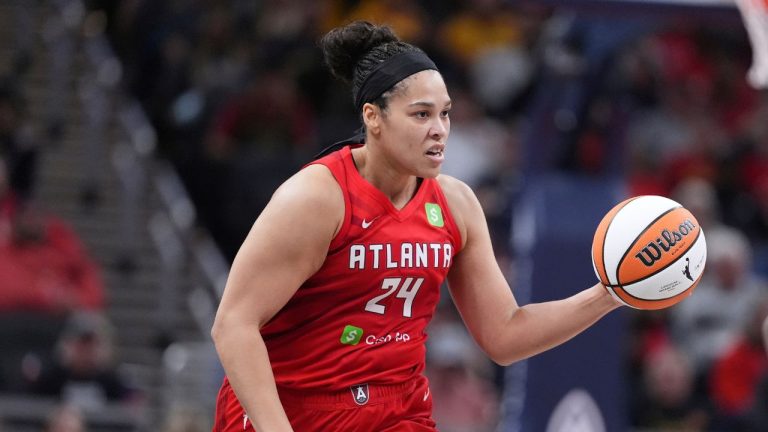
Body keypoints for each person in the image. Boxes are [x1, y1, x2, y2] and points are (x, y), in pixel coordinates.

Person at [210, 20, 622, 432]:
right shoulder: (316, 198)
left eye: (445, 113)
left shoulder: (456, 203)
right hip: (293, 408)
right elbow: (233, 325)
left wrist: (608, 294)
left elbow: (504, 336)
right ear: (373, 117)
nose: (439, 130)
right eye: (421, 114)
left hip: (396, 411)